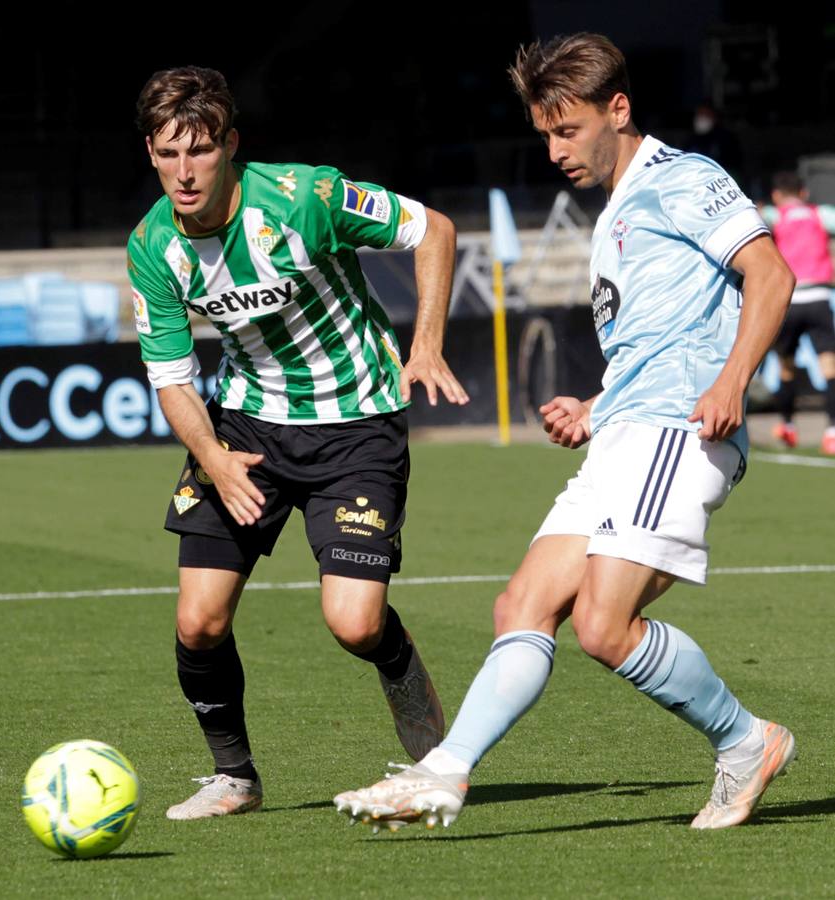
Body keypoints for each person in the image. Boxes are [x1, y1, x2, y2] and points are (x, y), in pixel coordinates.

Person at [334, 33, 796, 833]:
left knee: (601, 627)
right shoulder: (615, 210)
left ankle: (743, 741)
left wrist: (730, 382)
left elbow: (771, 273)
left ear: (617, 110)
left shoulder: (682, 178)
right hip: (628, 428)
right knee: (521, 602)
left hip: (678, 432)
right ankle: (443, 774)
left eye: (566, 129)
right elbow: (658, 334)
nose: (553, 150)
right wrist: (594, 406)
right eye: (544, 133)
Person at [127, 66, 469, 820]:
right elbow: (174, 379)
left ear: (230, 147)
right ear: (150, 153)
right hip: (246, 427)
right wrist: (213, 458)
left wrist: (426, 344)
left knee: (353, 622)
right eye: (167, 154)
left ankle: (398, 668)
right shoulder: (153, 247)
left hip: (355, 425)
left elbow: (433, 229)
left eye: (200, 151)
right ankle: (234, 779)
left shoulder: (304, 197)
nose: (184, 173)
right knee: (198, 619)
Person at [760, 171, 835, 454]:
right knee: (830, 367)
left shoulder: (775, 215)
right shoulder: (820, 215)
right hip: (819, 298)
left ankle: (788, 426)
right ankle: (832, 432)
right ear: (804, 193)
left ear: (778, 196)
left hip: (790, 300)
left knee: (786, 367)